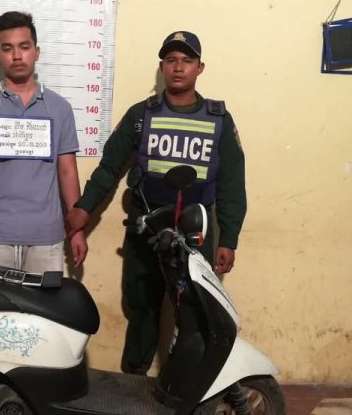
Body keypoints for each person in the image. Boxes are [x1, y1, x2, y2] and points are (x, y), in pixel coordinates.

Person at [66, 31, 247, 375]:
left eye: (187, 61)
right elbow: (109, 168)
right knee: (142, 308)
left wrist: (229, 239)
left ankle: (184, 384)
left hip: (195, 232)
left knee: (194, 311)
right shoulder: (141, 115)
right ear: (162, 66)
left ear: (199, 67)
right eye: (171, 60)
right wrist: (83, 208)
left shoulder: (219, 120)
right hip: (146, 229)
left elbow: (231, 184)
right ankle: (135, 381)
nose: (178, 68)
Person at [0, 11, 86, 272]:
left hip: (47, 238)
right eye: (7, 48)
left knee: (44, 301)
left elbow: (67, 172)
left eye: (24, 47)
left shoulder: (60, 108)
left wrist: (76, 231)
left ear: (36, 52)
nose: (17, 56)